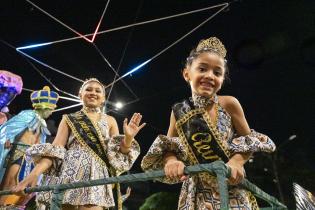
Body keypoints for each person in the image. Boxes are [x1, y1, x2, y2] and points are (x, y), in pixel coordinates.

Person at [141, 37, 276, 209]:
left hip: (230, 183)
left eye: (217, 72)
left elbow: (248, 141)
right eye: (202, 68)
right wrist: (171, 161)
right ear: (187, 74)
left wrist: (236, 162)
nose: (209, 76)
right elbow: (169, 146)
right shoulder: (178, 111)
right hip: (197, 190)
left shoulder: (229, 103)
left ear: (222, 80)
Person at [13, 78, 145, 210]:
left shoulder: (111, 121)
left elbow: (117, 158)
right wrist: (33, 175)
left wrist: (128, 138)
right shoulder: (68, 118)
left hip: (97, 177)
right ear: (80, 94)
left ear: (103, 98)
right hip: (69, 175)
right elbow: (55, 151)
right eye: (88, 89)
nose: (93, 92)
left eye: (98, 91)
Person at [0, 86, 59, 208]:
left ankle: (15, 207)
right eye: (51, 109)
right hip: (18, 153)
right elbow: (8, 127)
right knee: (11, 182)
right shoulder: (27, 115)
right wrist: (8, 139)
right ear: (45, 107)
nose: (52, 112)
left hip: (32, 158)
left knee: (28, 189)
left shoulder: (42, 123)